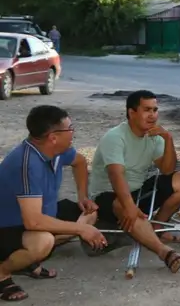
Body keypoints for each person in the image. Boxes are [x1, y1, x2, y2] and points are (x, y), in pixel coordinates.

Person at [0, 106, 106, 302]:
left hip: (41, 216)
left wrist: (83, 196)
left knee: (90, 213)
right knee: (43, 242)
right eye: (70, 129)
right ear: (53, 137)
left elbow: (80, 162)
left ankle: (27, 262)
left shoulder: (57, 151)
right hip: (8, 227)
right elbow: (33, 222)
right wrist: (81, 230)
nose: (73, 132)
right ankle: (3, 272)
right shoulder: (26, 164)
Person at [89, 90, 180, 274]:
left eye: (155, 110)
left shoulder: (154, 135)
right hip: (107, 194)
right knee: (124, 205)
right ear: (132, 112)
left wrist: (168, 139)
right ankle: (164, 252)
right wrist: (129, 206)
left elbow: (168, 170)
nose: (152, 115)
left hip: (138, 191)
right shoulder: (115, 137)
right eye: (147, 110)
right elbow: (116, 176)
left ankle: (156, 227)